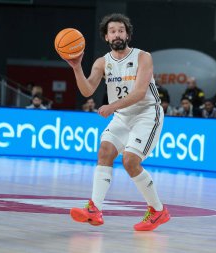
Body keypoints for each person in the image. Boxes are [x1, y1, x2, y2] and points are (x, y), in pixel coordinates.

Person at [64, 13, 170, 231]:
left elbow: (140, 92)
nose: (117, 34)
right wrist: (76, 67)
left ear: (128, 34)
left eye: (121, 30)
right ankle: (95, 208)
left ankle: (158, 210)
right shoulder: (102, 62)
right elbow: (87, 90)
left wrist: (112, 106)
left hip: (147, 113)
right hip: (123, 115)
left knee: (131, 161)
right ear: (106, 37)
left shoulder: (143, 57)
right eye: (112, 31)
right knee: (105, 151)